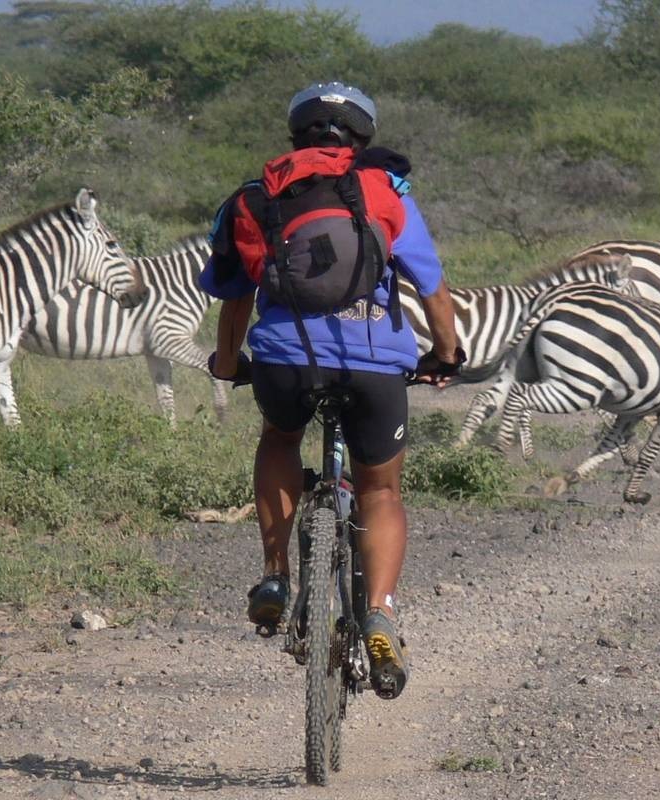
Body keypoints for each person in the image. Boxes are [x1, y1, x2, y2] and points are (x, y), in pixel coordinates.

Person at [200, 82, 463, 700]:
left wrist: (229, 362)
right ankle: (378, 613)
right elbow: (431, 286)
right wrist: (447, 354)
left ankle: (274, 575)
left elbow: (236, 298)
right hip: (376, 364)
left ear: (295, 137)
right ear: (362, 139)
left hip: (287, 361)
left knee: (279, 438)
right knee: (381, 488)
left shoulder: (254, 197)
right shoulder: (384, 190)